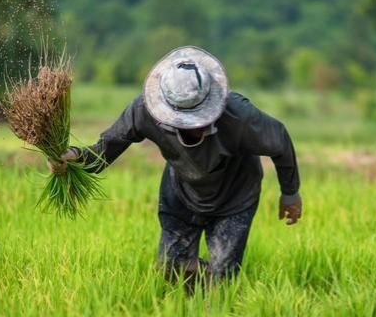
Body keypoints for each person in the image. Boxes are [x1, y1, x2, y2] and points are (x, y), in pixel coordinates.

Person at [49, 46, 302, 287]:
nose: (191, 127)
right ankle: (192, 309)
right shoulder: (144, 111)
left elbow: (280, 141)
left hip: (235, 197)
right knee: (171, 267)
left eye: (197, 120)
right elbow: (104, 151)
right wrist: (73, 157)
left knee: (224, 275)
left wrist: (290, 193)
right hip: (181, 193)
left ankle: (215, 311)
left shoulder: (239, 117)